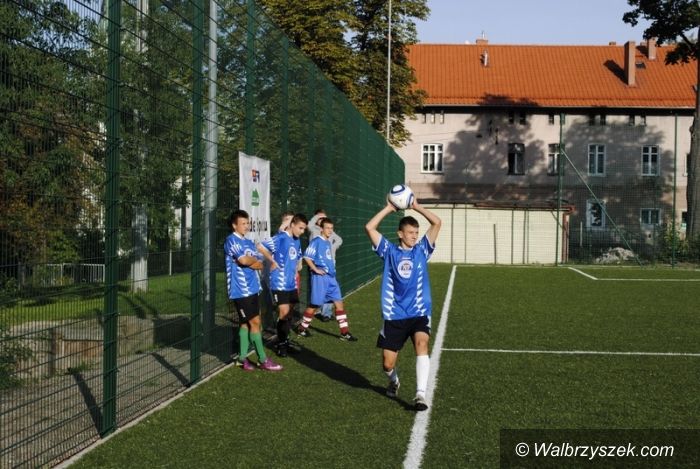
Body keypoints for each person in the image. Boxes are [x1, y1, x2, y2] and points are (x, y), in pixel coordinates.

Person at [364, 199, 442, 411]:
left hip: (419, 311)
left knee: (422, 344)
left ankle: (420, 394)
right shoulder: (389, 251)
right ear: (400, 234)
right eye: (410, 233)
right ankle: (394, 380)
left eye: (416, 233)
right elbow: (369, 227)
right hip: (394, 313)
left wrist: (416, 207)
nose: (414, 236)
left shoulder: (422, 250)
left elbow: (437, 223)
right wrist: (389, 208)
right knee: (387, 364)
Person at [224, 209, 283, 372]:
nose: (246, 226)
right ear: (234, 225)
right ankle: (263, 359)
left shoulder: (248, 242)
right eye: (243, 223)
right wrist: (252, 262)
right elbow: (243, 260)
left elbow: (258, 262)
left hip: (253, 289)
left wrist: (252, 261)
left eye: (247, 223)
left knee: (245, 324)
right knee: (256, 323)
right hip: (241, 291)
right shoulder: (231, 240)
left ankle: (242, 359)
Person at [297, 217, 357, 341]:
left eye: (331, 228)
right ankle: (302, 328)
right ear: (321, 229)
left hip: (331, 278)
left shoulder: (327, 242)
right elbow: (307, 257)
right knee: (315, 305)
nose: (330, 230)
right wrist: (315, 269)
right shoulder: (317, 241)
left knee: (339, 303)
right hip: (320, 278)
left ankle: (344, 333)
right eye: (327, 228)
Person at [258, 213, 308, 357]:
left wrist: (296, 270)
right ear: (292, 225)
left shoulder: (296, 240)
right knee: (284, 313)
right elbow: (260, 246)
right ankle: (281, 345)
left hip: (291, 283)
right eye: (300, 228)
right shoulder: (281, 238)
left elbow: (297, 258)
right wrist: (272, 261)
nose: (302, 231)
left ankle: (285, 341)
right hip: (279, 283)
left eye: (304, 229)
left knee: (289, 314)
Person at [308, 209, 343, 322]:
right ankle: (307, 321)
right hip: (318, 266)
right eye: (320, 218)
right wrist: (318, 216)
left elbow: (339, 240)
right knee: (317, 297)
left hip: (330, 266)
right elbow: (307, 256)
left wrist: (333, 247)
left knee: (333, 294)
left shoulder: (329, 234)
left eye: (324, 218)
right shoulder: (315, 231)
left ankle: (326, 313)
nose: (329, 230)